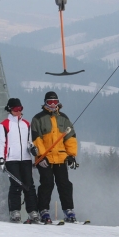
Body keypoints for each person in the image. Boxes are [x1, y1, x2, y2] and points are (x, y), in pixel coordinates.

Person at [30, 91, 79, 223]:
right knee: (47, 184)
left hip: (61, 158)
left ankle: (68, 210)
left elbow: (70, 138)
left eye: (55, 102)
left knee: (64, 184)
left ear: (58, 103)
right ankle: (43, 210)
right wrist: (41, 155)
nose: (52, 105)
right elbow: (36, 139)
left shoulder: (63, 118)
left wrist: (71, 156)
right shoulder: (38, 119)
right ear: (45, 103)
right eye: (50, 102)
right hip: (45, 159)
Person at [0, 98, 39, 223]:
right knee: (16, 185)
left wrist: (32, 148)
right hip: (11, 159)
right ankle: (15, 211)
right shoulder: (3, 125)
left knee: (29, 185)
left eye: (20, 109)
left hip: (25, 159)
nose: (18, 111)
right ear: (10, 109)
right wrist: (1, 159)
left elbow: (29, 142)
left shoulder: (26, 124)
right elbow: (0, 143)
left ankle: (32, 211)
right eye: (16, 109)